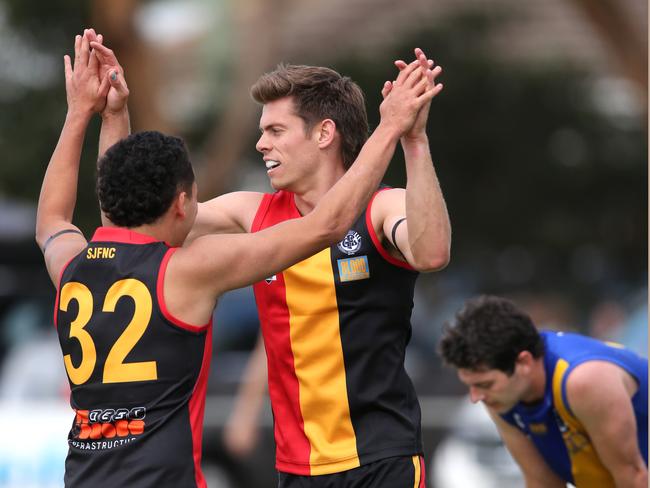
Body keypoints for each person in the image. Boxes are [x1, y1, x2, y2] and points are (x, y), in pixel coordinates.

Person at [36, 30, 438, 488]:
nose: (261, 144)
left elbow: (60, 220)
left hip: (87, 476)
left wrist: (85, 114)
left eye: (274, 130)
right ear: (182, 204)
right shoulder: (193, 269)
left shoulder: (72, 264)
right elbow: (326, 226)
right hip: (185, 476)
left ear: (325, 134)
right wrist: (393, 129)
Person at [439, 295, 648, 488]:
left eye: (485, 384)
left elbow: (634, 477)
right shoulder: (502, 396)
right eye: (470, 385)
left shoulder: (583, 380)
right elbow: (542, 482)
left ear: (524, 362)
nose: (476, 398)